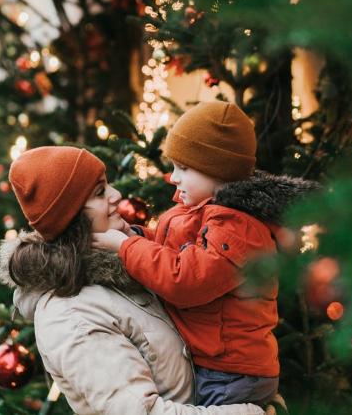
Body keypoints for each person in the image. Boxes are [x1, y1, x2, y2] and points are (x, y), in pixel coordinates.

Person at [0, 145, 264, 415]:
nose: (116, 195)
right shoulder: (71, 316)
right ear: (73, 217)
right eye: (100, 192)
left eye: (108, 184)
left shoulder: (126, 267)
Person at [93, 101, 318, 406]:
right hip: (216, 365)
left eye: (184, 169)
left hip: (231, 373)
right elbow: (170, 250)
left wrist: (125, 247)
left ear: (219, 171)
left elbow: (186, 280)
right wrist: (134, 236)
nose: (173, 177)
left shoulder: (237, 227)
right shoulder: (203, 213)